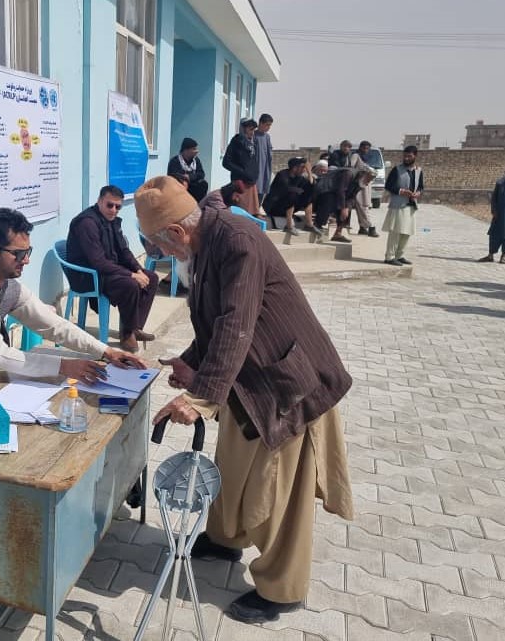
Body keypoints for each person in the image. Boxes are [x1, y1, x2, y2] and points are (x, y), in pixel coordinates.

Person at [133, 176, 354, 625]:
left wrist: (201, 398)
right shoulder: (207, 241)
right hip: (246, 380)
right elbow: (212, 321)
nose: (164, 257)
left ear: (177, 232)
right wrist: (191, 360)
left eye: (160, 248)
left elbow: (237, 324)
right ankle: (225, 537)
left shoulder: (236, 240)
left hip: (287, 383)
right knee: (231, 467)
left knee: (277, 494)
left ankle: (281, 589)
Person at [0, 208, 144, 410]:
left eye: (28, 251)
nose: (26, 260)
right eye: (18, 254)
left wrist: (105, 351)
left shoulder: (9, 286)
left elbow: (53, 326)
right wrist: (66, 366)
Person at [66, 185, 159, 352]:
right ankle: (127, 335)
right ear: (99, 201)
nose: (114, 210)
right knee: (130, 285)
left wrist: (137, 270)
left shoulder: (112, 221)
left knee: (151, 278)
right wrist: (131, 275)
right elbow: (98, 262)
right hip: (88, 275)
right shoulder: (86, 223)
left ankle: (133, 327)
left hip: (106, 270)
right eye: (110, 205)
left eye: (118, 206)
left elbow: (124, 251)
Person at [382, 146, 424, 266]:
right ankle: (389, 257)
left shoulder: (419, 171)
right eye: (405, 156)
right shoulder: (397, 170)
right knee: (395, 232)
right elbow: (389, 186)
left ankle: (399, 255)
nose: (406, 158)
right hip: (398, 205)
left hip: (411, 205)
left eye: (409, 156)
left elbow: (421, 186)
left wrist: (418, 193)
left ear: (415, 156)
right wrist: (401, 191)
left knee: (406, 232)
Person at [262, 157, 316, 234]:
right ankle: (289, 226)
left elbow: (311, 186)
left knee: (309, 195)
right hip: (273, 207)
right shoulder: (282, 175)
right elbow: (287, 189)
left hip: (286, 206)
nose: (304, 170)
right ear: (294, 168)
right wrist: (300, 192)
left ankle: (309, 224)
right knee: (292, 194)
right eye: (302, 167)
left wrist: (309, 172)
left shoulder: (300, 178)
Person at [222, 118, 260, 215]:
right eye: (250, 129)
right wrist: (242, 172)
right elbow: (226, 162)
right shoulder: (236, 142)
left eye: (253, 130)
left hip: (251, 184)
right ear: (243, 129)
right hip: (240, 184)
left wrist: (253, 175)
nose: (252, 132)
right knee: (240, 212)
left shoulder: (252, 144)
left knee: (251, 213)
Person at [350, 141, 379, 237]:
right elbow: (351, 169)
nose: (365, 150)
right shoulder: (356, 156)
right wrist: (362, 171)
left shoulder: (368, 158)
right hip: (358, 184)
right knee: (362, 206)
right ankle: (370, 227)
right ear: (360, 147)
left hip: (366, 184)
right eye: (364, 148)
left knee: (365, 206)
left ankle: (362, 228)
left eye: (367, 148)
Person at [167, 137, 209, 202]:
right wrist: (184, 179)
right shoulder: (175, 161)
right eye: (194, 149)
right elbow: (172, 175)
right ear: (186, 150)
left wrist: (190, 177)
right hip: (180, 186)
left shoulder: (196, 160)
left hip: (192, 185)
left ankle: (198, 206)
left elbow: (201, 174)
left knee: (203, 184)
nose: (197, 151)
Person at [254, 114, 275, 207]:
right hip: (256, 168)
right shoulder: (253, 135)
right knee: (255, 190)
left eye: (270, 125)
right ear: (261, 123)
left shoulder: (267, 137)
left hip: (265, 168)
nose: (268, 127)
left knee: (263, 189)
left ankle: (257, 209)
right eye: (267, 125)